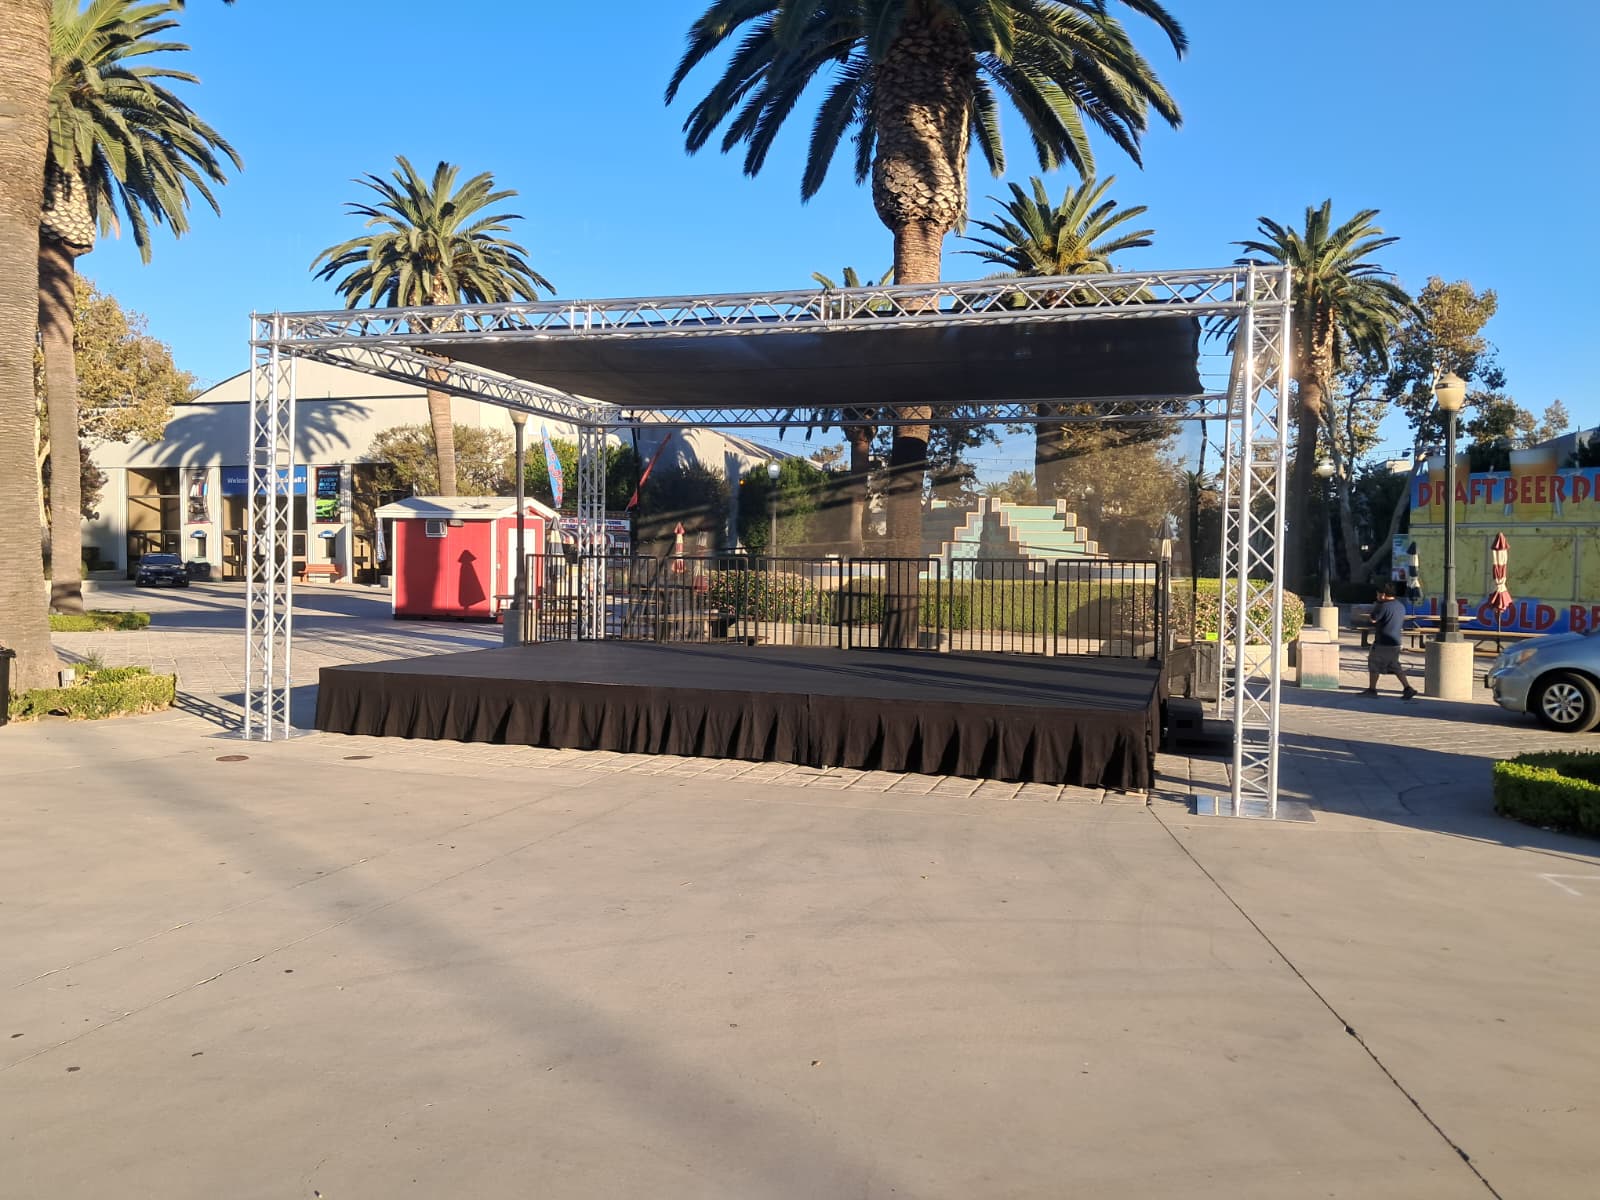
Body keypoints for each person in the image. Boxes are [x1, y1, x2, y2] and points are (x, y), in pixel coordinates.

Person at [1365, 582, 1418, 699]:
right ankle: (1407, 688)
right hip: (1396, 641)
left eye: (1378, 594)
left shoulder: (1383, 606)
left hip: (1383, 642)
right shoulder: (1400, 606)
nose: (1377, 597)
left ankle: (1372, 689)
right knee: (1394, 665)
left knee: (1374, 664)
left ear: (1383, 595)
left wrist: (1376, 606)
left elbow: (1373, 619)